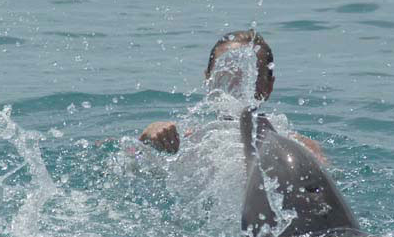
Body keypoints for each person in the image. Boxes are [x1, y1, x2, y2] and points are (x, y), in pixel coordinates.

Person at [138, 30, 326, 163]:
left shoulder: (297, 146)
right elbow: (133, 163)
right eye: (225, 74)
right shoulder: (184, 140)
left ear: (268, 86)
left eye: (247, 76)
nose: (234, 85)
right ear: (208, 80)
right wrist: (148, 137)